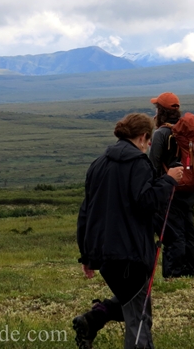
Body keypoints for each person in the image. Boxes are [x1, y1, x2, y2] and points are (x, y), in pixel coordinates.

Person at [74, 113, 183, 349]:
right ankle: (97, 322)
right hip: (130, 253)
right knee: (139, 317)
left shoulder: (98, 163)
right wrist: (169, 180)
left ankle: (92, 320)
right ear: (144, 137)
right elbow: (146, 202)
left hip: (104, 254)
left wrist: (86, 254)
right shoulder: (139, 163)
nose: (149, 144)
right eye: (149, 139)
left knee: (132, 302)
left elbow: (85, 211)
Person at [149, 92, 194, 278]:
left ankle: (174, 274)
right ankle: (189, 269)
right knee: (188, 229)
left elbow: (153, 164)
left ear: (160, 111)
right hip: (189, 187)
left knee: (172, 232)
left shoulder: (161, 133)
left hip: (169, 188)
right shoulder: (186, 130)